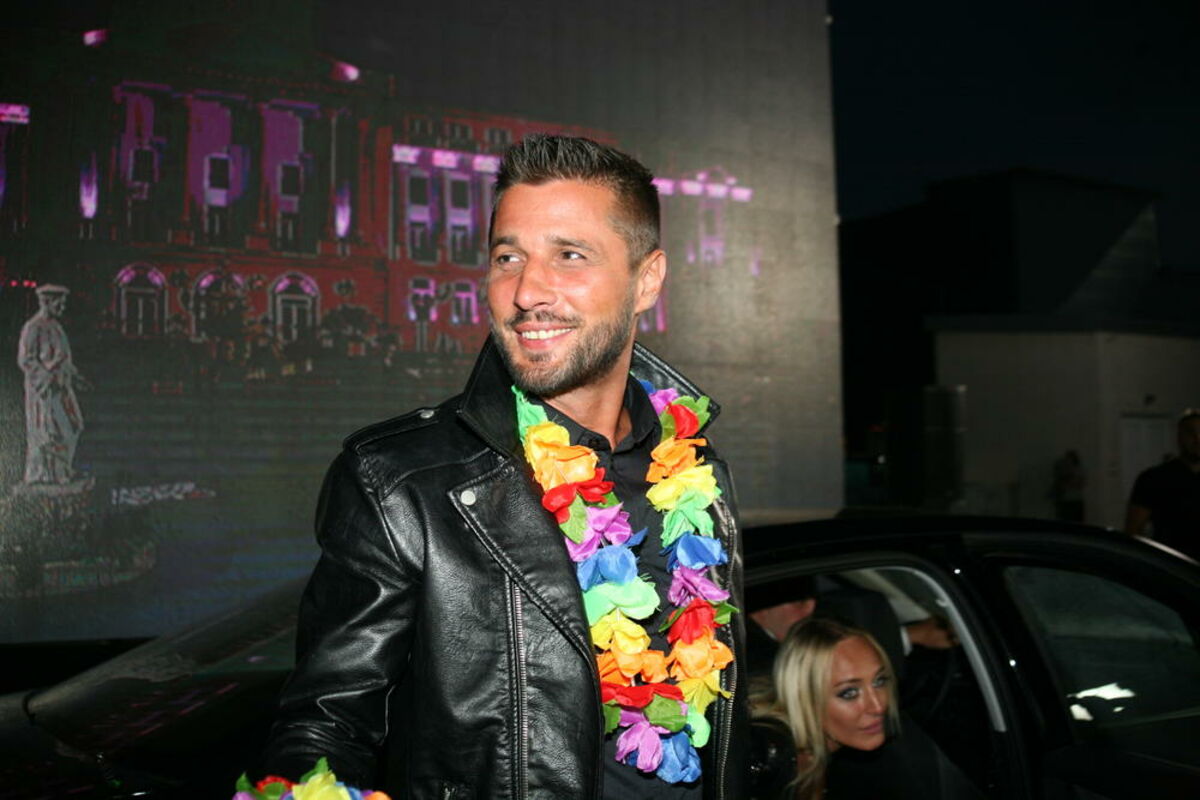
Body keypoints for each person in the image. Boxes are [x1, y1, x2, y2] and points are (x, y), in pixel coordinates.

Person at [259, 135, 747, 798]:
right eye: (507, 257)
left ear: (647, 281)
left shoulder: (699, 474)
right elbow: (322, 731)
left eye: (569, 255)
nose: (526, 291)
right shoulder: (401, 482)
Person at [749, 618, 982, 800]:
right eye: (849, 693)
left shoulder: (811, 754)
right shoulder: (773, 761)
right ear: (803, 696)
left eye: (879, 681)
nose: (878, 706)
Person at [18, 284, 87, 485]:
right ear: (47, 302)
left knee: (74, 425)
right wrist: (47, 375)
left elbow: (63, 358)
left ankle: (62, 468)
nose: (62, 308)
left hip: (62, 387)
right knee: (52, 431)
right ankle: (50, 474)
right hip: (46, 391)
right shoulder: (33, 327)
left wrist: (75, 377)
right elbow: (26, 360)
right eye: (59, 303)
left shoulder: (56, 327)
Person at [1125, 411, 1200, 560]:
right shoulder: (1154, 478)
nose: (1198, 439)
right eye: (1191, 433)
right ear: (1179, 437)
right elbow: (1133, 529)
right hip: (1172, 563)